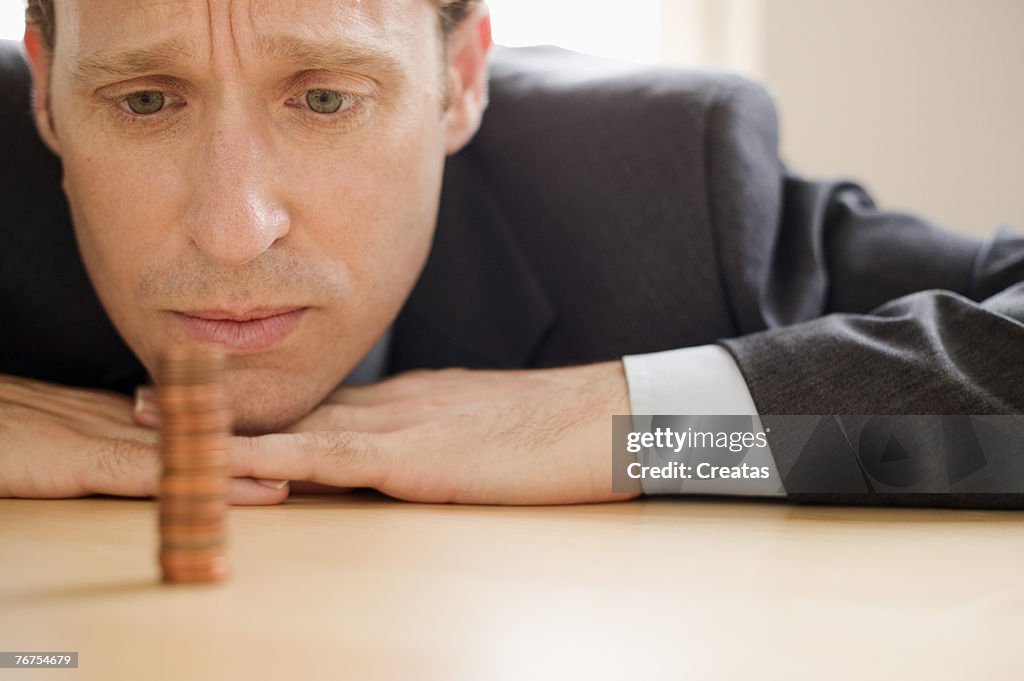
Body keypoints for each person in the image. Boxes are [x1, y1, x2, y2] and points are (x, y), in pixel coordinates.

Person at [1, 0, 1022, 507]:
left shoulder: (666, 185)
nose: (232, 230)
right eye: (143, 101)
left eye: (324, 99)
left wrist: (630, 425)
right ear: (45, 89)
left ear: (459, 80)